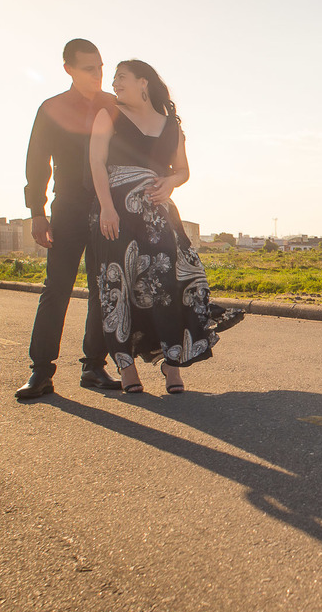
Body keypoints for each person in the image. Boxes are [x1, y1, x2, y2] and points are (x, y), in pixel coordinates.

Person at [89, 60, 227, 394]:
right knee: (118, 286)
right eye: (114, 78)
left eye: (121, 77)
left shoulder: (171, 127)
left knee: (168, 287)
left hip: (158, 217)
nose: (115, 83)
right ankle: (126, 366)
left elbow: (182, 170)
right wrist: (106, 207)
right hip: (115, 214)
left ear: (143, 82)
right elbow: (96, 161)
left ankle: (172, 363)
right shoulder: (109, 115)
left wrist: (170, 182)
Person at [17, 39, 123, 400]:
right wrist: (37, 212)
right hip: (68, 207)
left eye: (100, 67)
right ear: (69, 69)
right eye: (89, 68)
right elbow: (37, 163)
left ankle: (94, 367)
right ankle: (41, 371)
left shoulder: (114, 105)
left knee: (102, 288)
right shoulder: (52, 108)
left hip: (107, 207)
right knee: (57, 287)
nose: (98, 74)